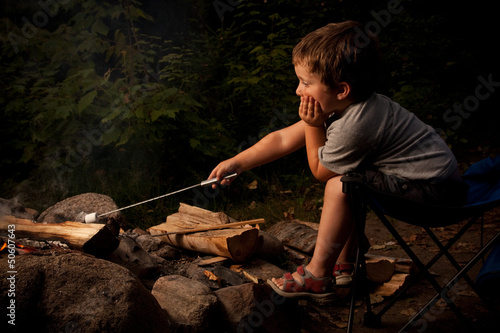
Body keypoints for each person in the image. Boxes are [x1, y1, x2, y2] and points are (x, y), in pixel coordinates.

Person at [207, 21, 468, 300]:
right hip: (436, 182)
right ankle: (346, 261)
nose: (298, 90)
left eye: (306, 83)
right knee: (354, 177)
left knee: (341, 184)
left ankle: (318, 274)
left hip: (436, 194)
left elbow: (320, 171)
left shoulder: (356, 123)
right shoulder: (342, 105)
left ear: (341, 89)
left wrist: (312, 125)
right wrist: (238, 162)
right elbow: (283, 139)